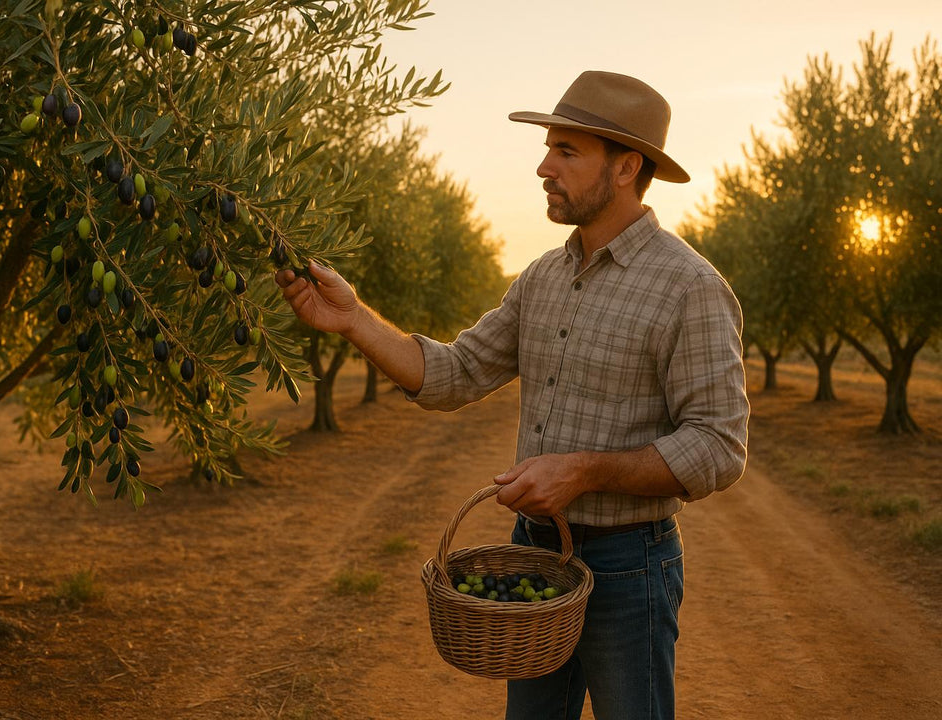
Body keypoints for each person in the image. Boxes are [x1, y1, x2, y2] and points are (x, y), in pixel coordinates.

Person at [275, 70, 750, 720]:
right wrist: (354, 319)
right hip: (534, 552)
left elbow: (720, 447)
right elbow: (453, 374)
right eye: (549, 148)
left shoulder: (688, 287)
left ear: (625, 166)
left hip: (630, 568)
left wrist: (584, 471)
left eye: (566, 151)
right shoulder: (541, 279)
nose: (542, 166)